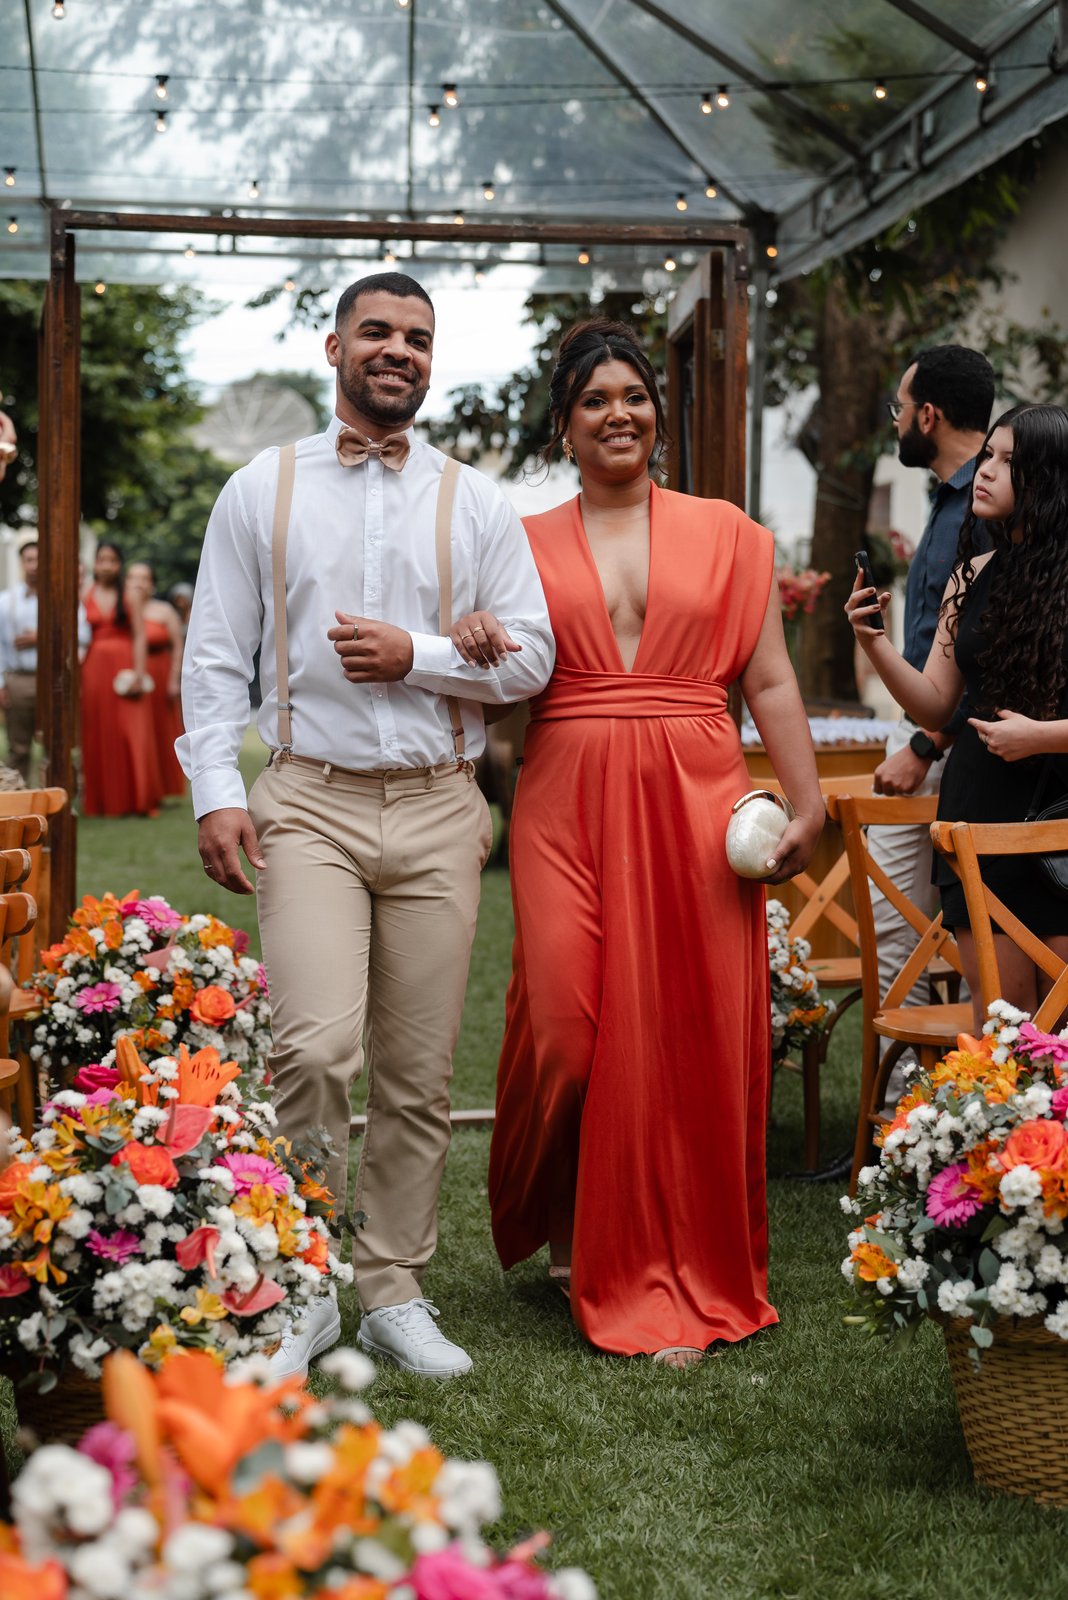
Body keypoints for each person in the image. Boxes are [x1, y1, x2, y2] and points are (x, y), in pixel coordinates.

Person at [178, 271, 555, 1382]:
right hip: (309, 802)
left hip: (441, 804)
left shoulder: (478, 502)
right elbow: (215, 655)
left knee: (418, 1070)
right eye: (378, 332)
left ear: (431, 361)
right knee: (310, 1048)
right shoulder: (261, 487)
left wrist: (421, 655)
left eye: (418, 339)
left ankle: (392, 1288)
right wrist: (216, 789)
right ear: (335, 346)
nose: (399, 350)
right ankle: (302, 1286)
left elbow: (534, 659)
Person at [451, 319, 822, 1368]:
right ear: (564, 426)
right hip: (564, 795)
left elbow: (770, 678)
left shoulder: (729, 534)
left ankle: (662, 1259)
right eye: (595, 400)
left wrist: (807, 803)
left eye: (635, 396)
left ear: (657, 414)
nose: (619, 414)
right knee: (567, 1032)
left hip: (698, 802)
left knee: (684, 1037)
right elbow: (493, 696)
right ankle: (560, 1199)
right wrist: (472, 647)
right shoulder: (516, 543)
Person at [847, 402, 1068, 1024]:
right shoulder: (970, 574)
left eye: (1007, 462)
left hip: (1059, 813)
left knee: (1061, 1021)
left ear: (1049, 479)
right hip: (978, 810)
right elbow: (934, 702)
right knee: (1000, 1018)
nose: (985, 471)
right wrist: (875, 643)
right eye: (987, 455)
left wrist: (1042, 737)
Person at [870, 348, 994, 1008]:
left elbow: (992, 653)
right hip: (933, 730)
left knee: (901, 923)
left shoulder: (985, 505)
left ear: (928, 416)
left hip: (953, 742)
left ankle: (915, 1077)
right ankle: (929, 1069)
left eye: (899, 408)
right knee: (913, 923)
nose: (895, 422)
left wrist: (924, 746)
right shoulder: (950, 498)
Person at [81, 542, 162, 817]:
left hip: (125, 667)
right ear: (94, 563)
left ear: (119, 564)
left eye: (112, 560)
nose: (106, 565)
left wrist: (139, 673)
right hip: (94, 669)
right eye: (101, 559)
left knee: (131, 731)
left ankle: (139, 799)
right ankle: (103, 802)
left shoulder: (130, 594)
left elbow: (140, 635)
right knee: (98, 731)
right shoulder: (84, 594)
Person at [0, 541, 90, 783]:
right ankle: (17, 798)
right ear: (22, 563)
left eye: (39, 559)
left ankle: (54, 797)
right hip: (18, 679)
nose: (34, 565)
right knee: (18, 748)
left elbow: (83, 635)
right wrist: (1, 684)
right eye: (29, 560)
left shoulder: (63, 597)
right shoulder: (5, 601)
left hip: (54, 680)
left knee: (56, 746)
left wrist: (41, 637)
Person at [126, 561, 186, 797]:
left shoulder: (164, 610)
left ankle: (163, 785)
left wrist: (174, 679)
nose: (139, 583)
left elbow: (178, 647)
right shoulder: (123, 610)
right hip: (130, 675)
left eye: (144, 578)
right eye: (133, 577)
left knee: (160, 730)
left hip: (160, 674)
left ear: (152, 584)